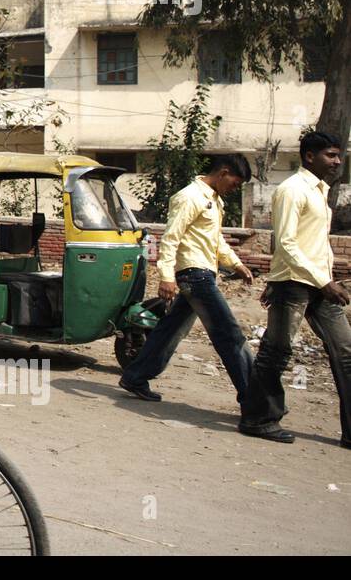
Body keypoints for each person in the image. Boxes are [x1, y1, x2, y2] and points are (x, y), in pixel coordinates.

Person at [239, 131, 351, 445]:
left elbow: (316, 243)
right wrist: (322, 281)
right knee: (276, 352)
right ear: (308, 156)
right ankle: (258, 420)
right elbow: (285, 243)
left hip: (319, 283)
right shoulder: (291, 190)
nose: (337, 161)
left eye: (338, 155)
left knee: (346, 353)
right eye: (330, 155)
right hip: (294, 284)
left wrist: (327, 277)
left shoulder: (320, 191)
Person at [119, 154, 255, 402]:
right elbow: (171, 238)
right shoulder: (190, 197)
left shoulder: (213, 200)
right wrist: (166, 277)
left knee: (171, 330)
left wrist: (236, 265)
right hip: (195, 276)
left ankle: (135, 376)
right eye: (234, 184)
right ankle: (256, 398)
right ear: (223, 173)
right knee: (229, 334)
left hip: (202, 274)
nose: (233, 190)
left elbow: (216, 240)